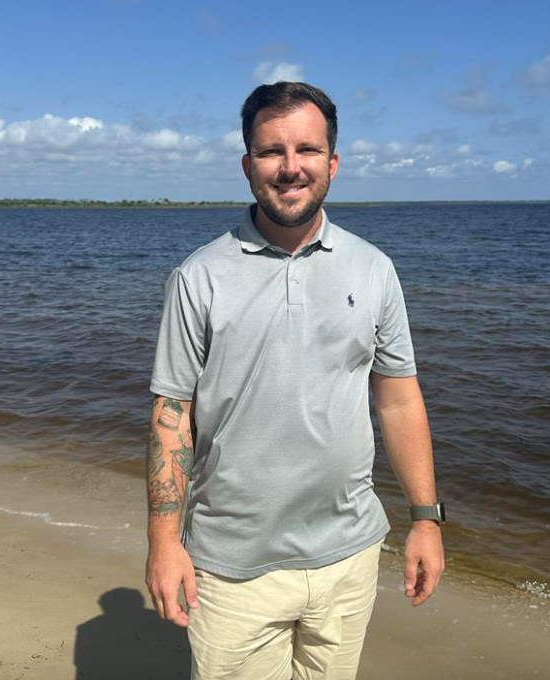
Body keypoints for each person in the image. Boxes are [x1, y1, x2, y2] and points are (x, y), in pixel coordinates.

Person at [146, 81, 445, 680]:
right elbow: (172, 415)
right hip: (231, 567)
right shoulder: (198, 277)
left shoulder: (375, 269)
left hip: (349, 556)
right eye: (270, 152)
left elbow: (399, 400)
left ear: (332, 162)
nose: (290, 168)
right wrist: (163, 543)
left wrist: (425, 519)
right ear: (247, 165)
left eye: (307, 150)